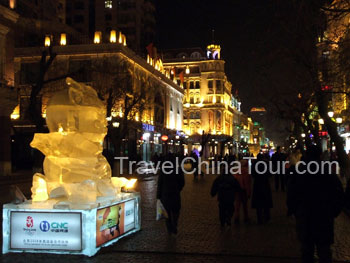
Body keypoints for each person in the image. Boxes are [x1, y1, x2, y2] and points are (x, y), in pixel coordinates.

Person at [287, 145, 345, 263]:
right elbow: (339, 194)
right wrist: (333, 212)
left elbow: (291, 194)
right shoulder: (327, 171)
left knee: (307, 251)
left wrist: (294, 210)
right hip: (324, 217)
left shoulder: (299, 172)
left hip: (305, 216)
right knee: (324, 252)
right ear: (320, 155)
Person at [157, 153, 185, 235]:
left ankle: (169, 228)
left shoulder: (163, 170)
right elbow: (182, 182)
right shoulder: (178, 169)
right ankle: (175, 224)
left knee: (167, 213)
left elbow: (160, 184)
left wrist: (158, 196)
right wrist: (178, 189)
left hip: (165, 195)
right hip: (175, 194)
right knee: (176, 211)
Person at [251, 154, 273, 224]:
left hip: (257, 184)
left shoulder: (254, 164)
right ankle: (267, 216)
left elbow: (252, 174)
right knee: (266, 200)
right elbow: (270, 173)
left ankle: (259, 218)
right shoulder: (266, 164)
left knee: (258, 202)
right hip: (265, 183)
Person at [233, 159, 252, 224]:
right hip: (243, 190)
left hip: (237, 190)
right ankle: (246, 217)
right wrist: (248, 192)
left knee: (237, 205)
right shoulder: (246, 172)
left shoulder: (236, 171)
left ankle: (236, 217)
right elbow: (247, 183)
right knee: (245, 205)